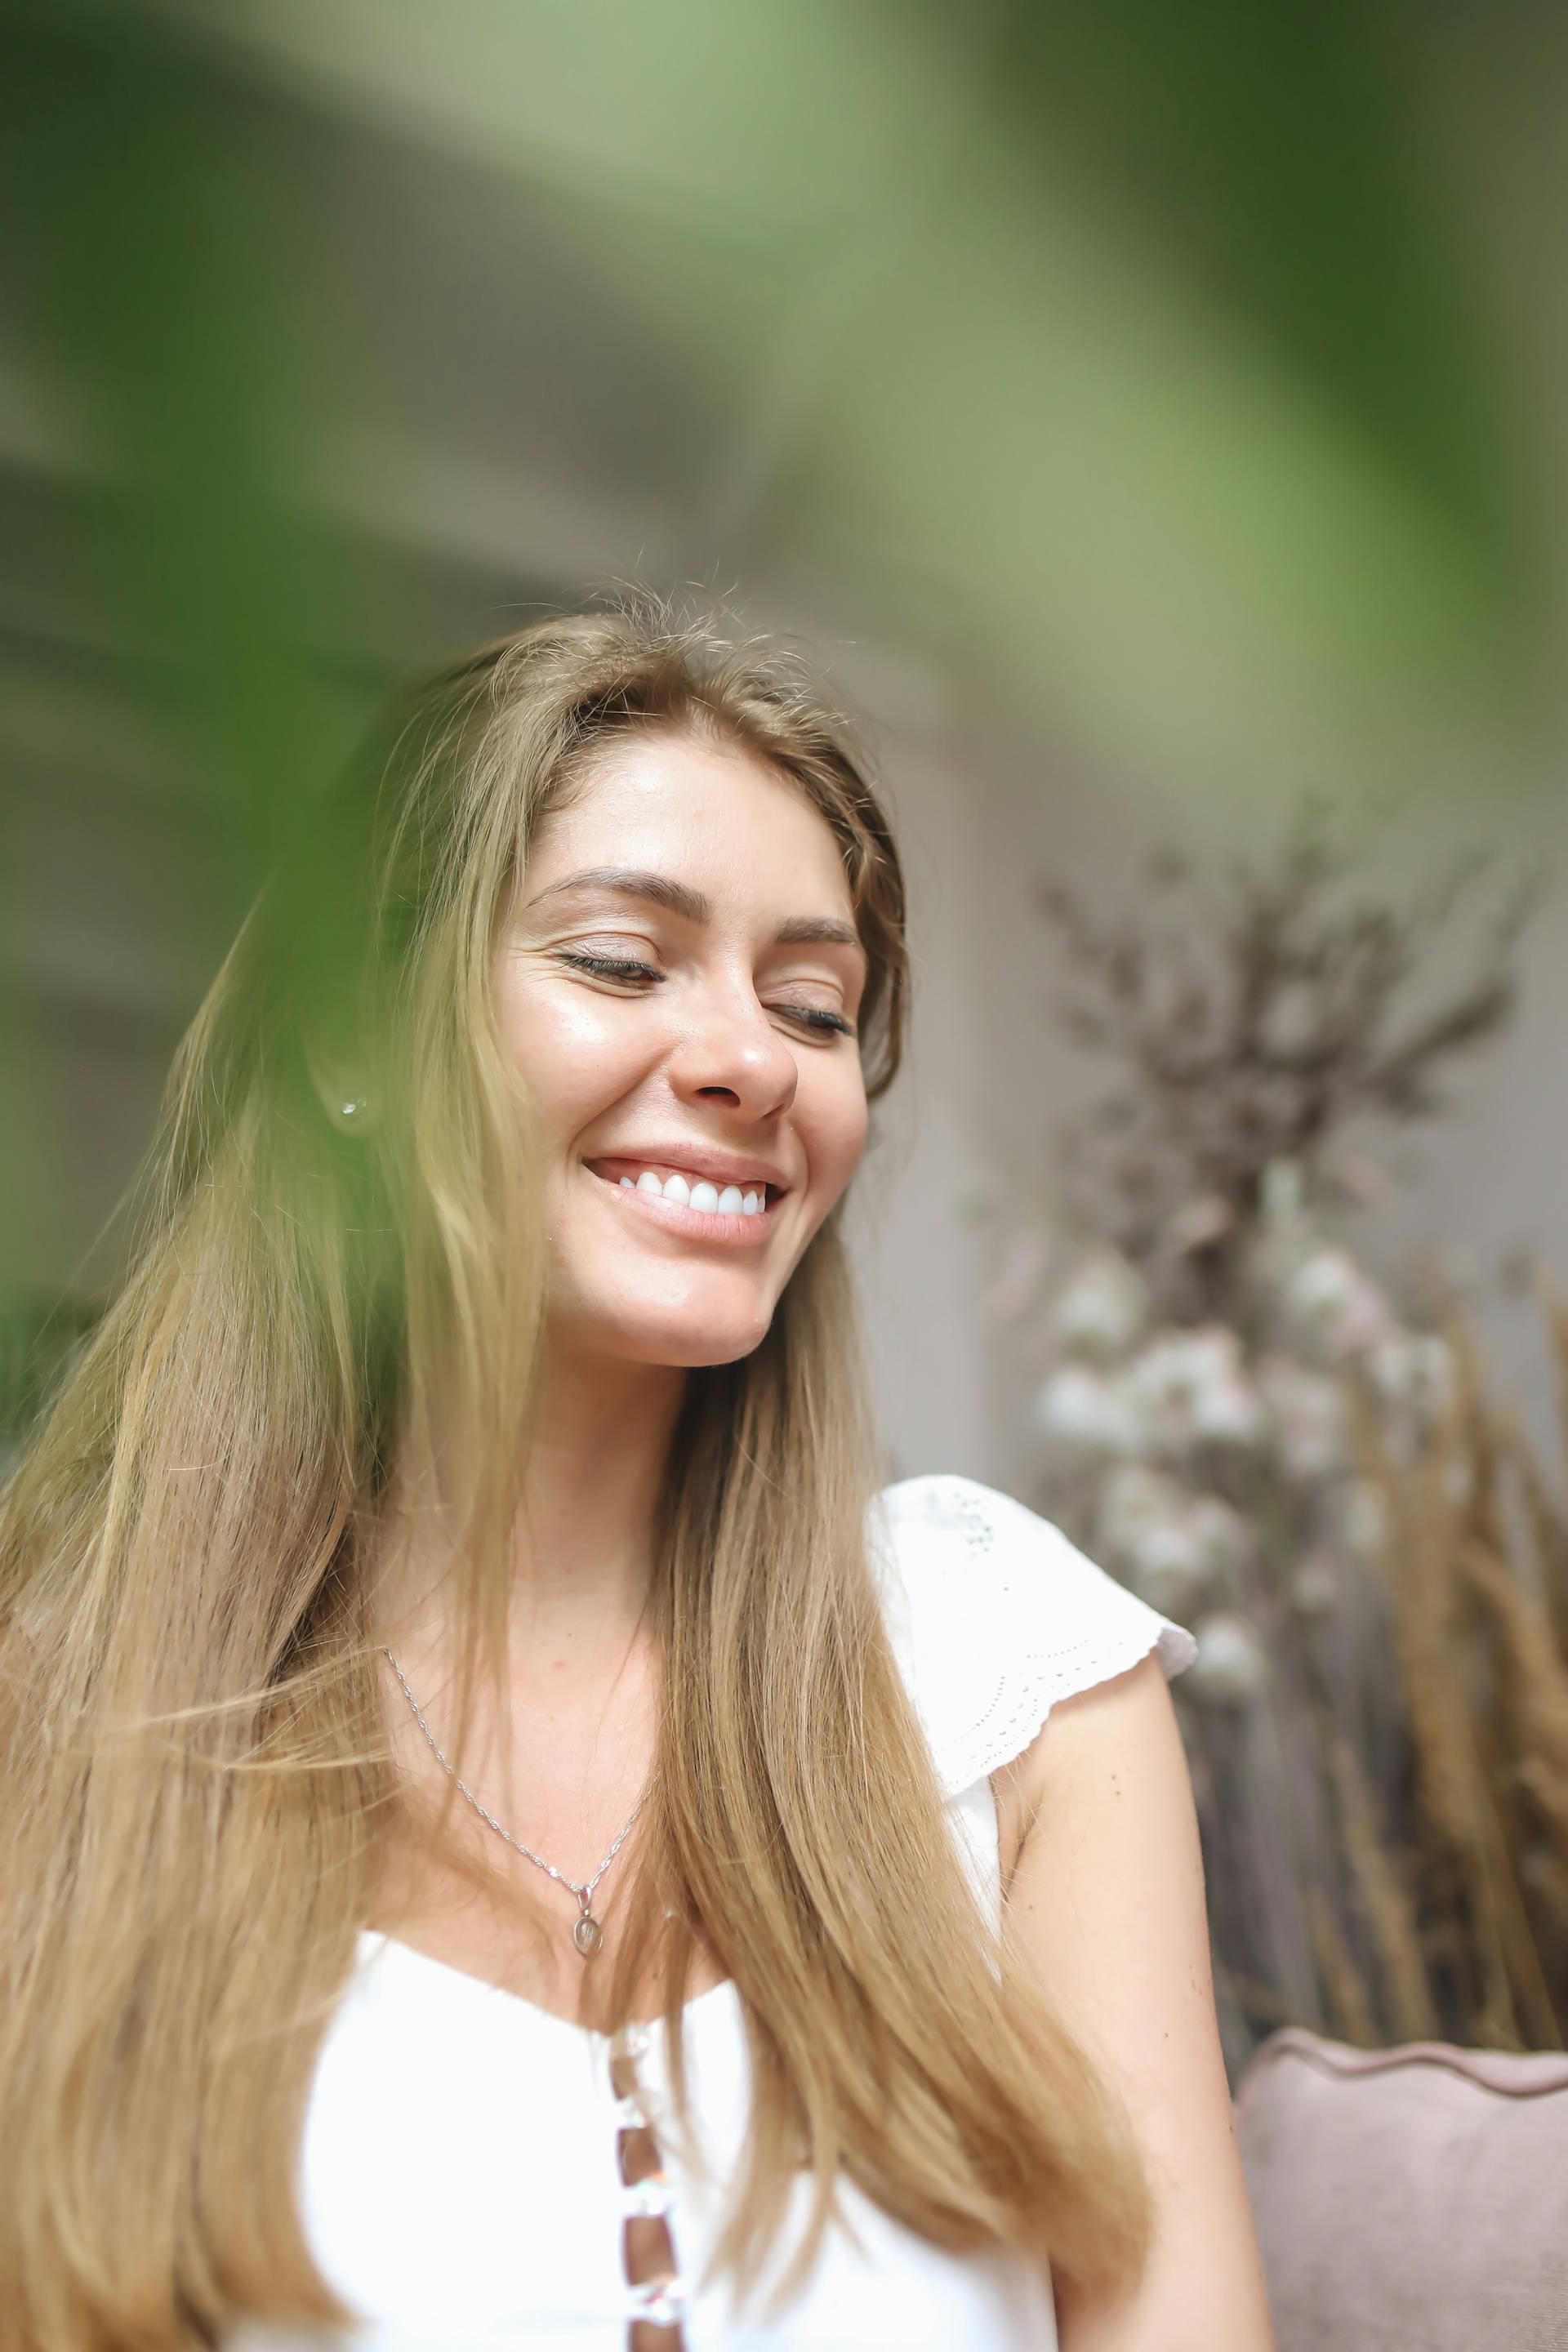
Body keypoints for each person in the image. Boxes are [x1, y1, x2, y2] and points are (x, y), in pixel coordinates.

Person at [0, 607, 1274, 2350]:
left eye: (813, 1004)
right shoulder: (61, 1707)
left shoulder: (1011, 1678)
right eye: (620, 962)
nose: (752, 1059)